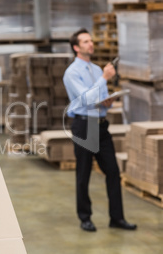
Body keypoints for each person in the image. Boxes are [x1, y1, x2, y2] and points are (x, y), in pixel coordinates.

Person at [63, 28, 136, 232]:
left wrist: (108, 102)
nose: (91, 44)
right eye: (86, 41)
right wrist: (104, 78)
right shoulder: (72, 73)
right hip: (84, 126)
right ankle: (85, 217)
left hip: (101, 125)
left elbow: (101, 99)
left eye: (91, 41)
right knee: (83, 173)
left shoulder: (96, 70)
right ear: (76, 47)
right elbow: (86, 98)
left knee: (113, 171)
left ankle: (117, 218)